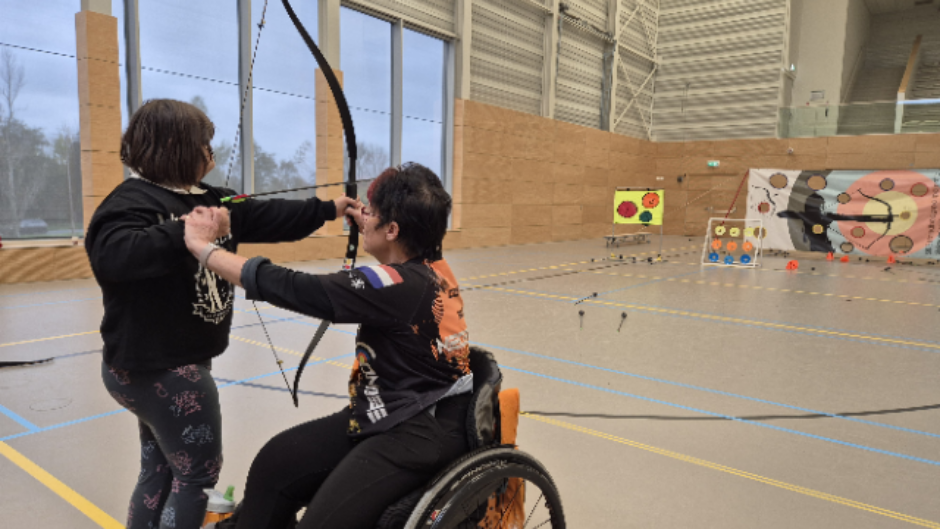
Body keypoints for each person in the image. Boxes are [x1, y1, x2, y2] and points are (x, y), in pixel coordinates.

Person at [84, 99, 359, 529]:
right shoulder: (130, 201)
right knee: (197, 477)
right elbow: (113, 257)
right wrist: (187, 232)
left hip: (169, 363)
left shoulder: (211, 198)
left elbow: (266, 214)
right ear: (176, 146)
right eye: (203, 144)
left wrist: (328, 209)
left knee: (160, 469)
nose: (211, 154)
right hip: (157, 368)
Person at [183, 163, 472, 529]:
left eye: (374, 215)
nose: (364, 218)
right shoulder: (431, 268)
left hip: (415, 429)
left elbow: (300, 288)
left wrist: (202, 248)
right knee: (276, 464)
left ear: (394, 230)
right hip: (390, 410)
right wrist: (359, 220)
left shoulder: (401, 284)